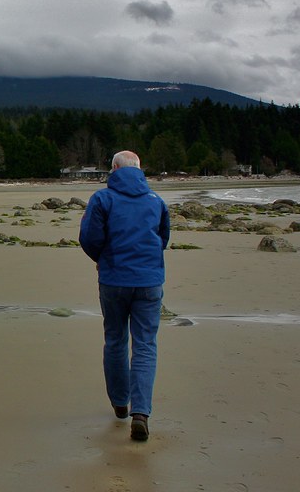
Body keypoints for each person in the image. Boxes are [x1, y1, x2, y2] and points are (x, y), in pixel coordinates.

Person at [78, 150, 170, 441]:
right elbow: (163, 238)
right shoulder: (155, 200)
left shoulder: (102, 199)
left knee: (116, 339)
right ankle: (140, 413)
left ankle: (120, 404)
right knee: (145, 345)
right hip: (148, 281)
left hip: (114, 279)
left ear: (114, 168)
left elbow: (89, 238)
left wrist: (103, 259)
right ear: (139, 169)